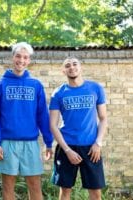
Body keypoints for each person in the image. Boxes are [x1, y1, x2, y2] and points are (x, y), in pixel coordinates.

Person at [0, 42, 54, 200]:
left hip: (30, 142)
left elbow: (42, 115)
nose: (21, 60)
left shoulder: (35, 85)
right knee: (8, 186)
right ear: (12, 57)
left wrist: (48, 142)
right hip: (7, 142)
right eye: (18, 56)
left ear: (29, 61)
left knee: (34, 186)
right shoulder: (0, 84)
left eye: (25, 57)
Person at [49, 57, 108, 200]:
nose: (72, 67)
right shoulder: (58, 93)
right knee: (65, 190)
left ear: (81, 67)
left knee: (95, 192)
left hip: (91, 148)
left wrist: (98, 143)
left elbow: (103, 118)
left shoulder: (95, 88)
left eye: (75, 64)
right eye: (67, 65)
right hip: (67, 147)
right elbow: (53, 125)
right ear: (63, 71)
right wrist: (67, 150)